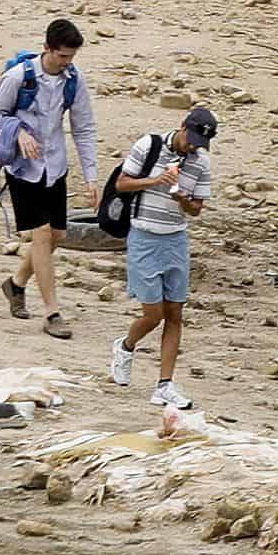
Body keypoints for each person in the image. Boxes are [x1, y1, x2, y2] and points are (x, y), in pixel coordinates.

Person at [0, 19, 95, 341]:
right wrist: (18, 133)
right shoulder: (19, 77)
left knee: (58, 235)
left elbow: (84, 127)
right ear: (47, 48)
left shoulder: (73, 81)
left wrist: (91, 177)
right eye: (62, 56)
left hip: (55, 166)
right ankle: (52, 312)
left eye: (71, 58)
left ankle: (16, 284)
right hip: (23, 168)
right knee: (43, 235)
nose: (66, 63)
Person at [104, 103, 210, 409]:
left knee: (175, 313)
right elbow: (122, 184)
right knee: (153, 314)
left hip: (175, 239)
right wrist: (156, 181)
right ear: (183, 126)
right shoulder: (148, 144)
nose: (192, 147)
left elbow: (196, 210)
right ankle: (125, 346)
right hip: (143, 237)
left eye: (199, 145)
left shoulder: (200, 162)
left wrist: (182, 198)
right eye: (190, 140)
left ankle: (165, 384)